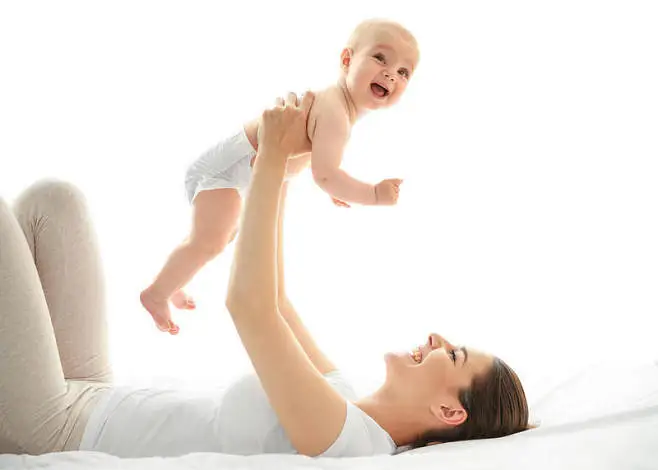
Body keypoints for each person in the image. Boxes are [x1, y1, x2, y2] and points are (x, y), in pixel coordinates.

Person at [0, 92, 529, 458]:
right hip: (92, 392)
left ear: (448, 411)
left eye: (453, 355)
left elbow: (250, 310)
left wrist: (273, 158)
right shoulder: (344, 397)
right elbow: (276, 300)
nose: (437, 339)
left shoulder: (350, 442)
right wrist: (280, 172)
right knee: (55, 201)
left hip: (54, 427)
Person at [140, 18, 418, 335]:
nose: (391, 74)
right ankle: (156, 294)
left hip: (241, 173)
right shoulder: (336, 112)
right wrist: (374, 194)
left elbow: (320, 161)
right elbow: (326, 174)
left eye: (403, 72)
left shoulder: (340, 110)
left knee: (216, 236)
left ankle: (175, 279)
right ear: (346, 60)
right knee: (210, 241)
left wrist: (334, 185)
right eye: (380, 58)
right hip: (225, 172)